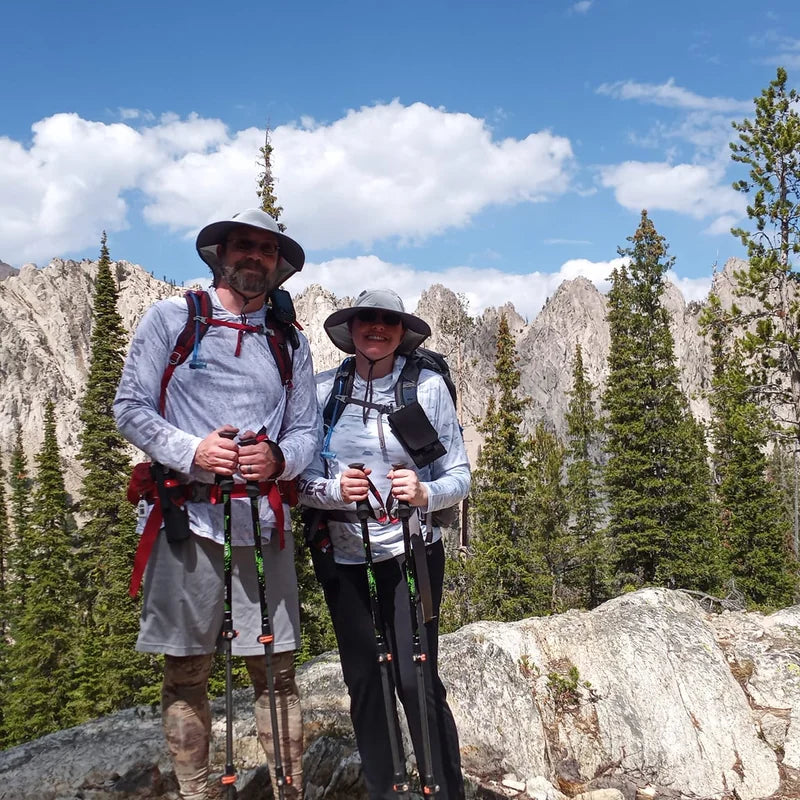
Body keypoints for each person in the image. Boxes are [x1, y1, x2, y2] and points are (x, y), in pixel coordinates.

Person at [114, 208, 319, 800]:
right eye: (244, 246)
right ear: (219, 254)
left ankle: (289, 791)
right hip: (186, 517)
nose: (255, 257)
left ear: (277, 266)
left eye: (267, 250)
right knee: (187, 669)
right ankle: (198, 793)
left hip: (261, 519)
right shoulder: (173, 318)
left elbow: (306, 430)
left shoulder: (289, 341)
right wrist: (193, 450)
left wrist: (279, 459)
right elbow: (129, 407)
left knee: (276, 670)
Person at [298, 289, 469, 800]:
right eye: (366, 320)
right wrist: (332, 491)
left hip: (412, 549)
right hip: (341, 550)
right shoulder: (323, 388)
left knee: (417, 681)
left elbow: (458, 475)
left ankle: (445, 790)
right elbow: (300, 475)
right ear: (351, 330)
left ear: (402, 330)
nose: (376, 328)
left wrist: (423, 491)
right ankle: (385, 790)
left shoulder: (427, 388)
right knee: (365, 680)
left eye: (387, 321)